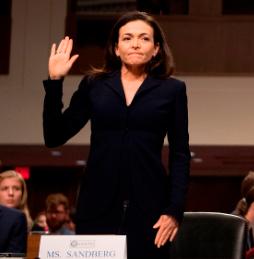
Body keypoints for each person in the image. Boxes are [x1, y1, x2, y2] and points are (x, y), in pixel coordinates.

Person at [42, 11, 190, 258]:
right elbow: (54, 136)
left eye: (144, 38)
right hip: (96, 203)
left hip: (151, 206)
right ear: (116, 48)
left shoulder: (172, 89)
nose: (135, 44)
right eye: (127, 38)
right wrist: (55, 81)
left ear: (155, 49)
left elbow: (180, 154)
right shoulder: (94, 84)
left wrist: (174, 210)